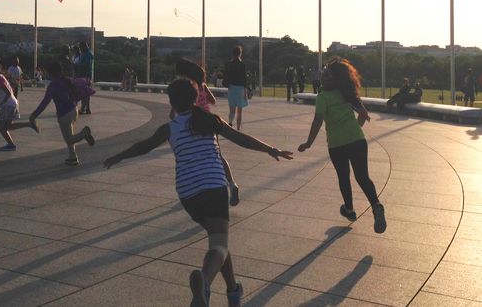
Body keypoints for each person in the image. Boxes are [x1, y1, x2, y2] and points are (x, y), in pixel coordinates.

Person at [103, 79, 293, 307]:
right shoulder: (209, 121)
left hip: (188, 193)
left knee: (218, 240)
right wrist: (270, 149)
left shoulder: (169, 128)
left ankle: (233, 291)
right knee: (219, 247)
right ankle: (204, 282)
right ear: (195, 98)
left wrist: (119, 156)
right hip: (213, 186)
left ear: (171, 101)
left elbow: (143, 146)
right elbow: (240, 138)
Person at [298, 57, 386, 234]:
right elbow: (363, 115)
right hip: (357, 140)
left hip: (337, 144)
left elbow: (317, 121)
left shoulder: (323, 97)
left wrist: (308, 143)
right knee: (363, 177)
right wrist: (353, 130)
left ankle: (350, 209)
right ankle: (376, 206)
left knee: (343, 176)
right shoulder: (346, 93)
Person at [175, 59, 240, 206]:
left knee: (192, 155)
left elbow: (181, 106)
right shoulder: (202, 85)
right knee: (218, 155)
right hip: (208, 121)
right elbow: (213, 100)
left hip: (193, 123)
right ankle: (231, 184)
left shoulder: (187, 86)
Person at [30, 62, 95, 166]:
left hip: (64, 114)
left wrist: (34, 115)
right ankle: (72, 157)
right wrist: (88, 81)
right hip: (74, 110)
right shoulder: (67, 80)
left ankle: (84, 134)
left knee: (69, 139)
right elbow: (81, 81)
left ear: (51, 73)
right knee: (69, 134)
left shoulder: (53, 85)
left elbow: (45, 102)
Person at [0, 59, 38, 151]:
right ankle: (29, 124)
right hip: (12, 103)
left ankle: (11, 145)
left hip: (8, 104)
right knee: (8, 126)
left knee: (0, 125)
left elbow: (7, 93)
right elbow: (7, 90)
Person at [224, 46, 248, 130]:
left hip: (231, 87)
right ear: (240, 54)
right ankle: (238, 127)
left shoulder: (228, 64)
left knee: (232, 109)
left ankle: (230, 122)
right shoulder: (242, 64)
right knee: (239, 110)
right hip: (240, 88)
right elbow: (244, 78)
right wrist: (245, 91)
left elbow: (226, 76)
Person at [77, 42, 94, 114]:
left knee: (85, 92)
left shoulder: (88, 54)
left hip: (85, 75)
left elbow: (86, 65)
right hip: (85, 75)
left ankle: (85, 108)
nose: (80, 49)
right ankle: (86, 108)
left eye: (80, 47)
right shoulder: (85, 54)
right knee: (86, 92)